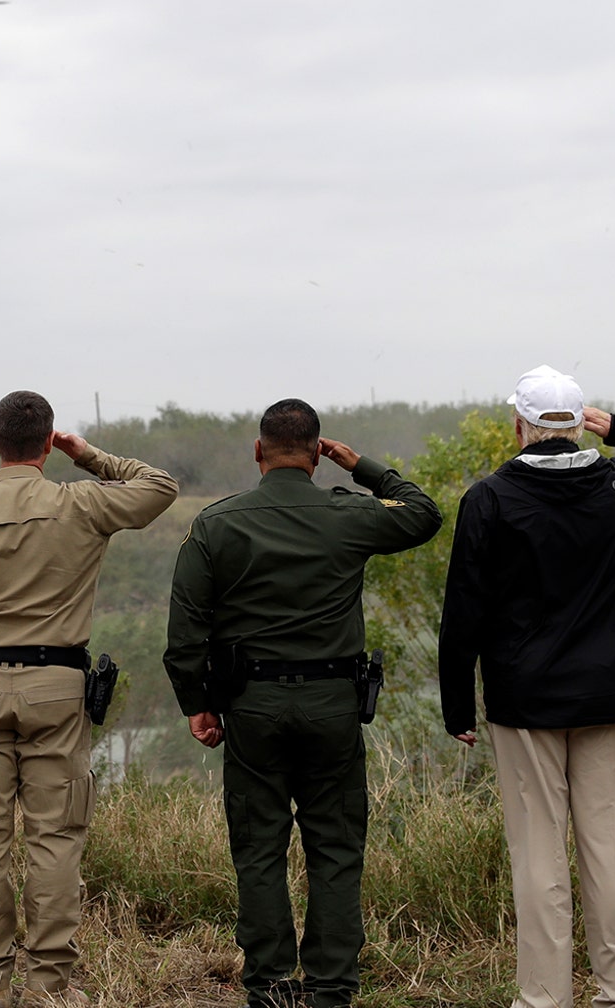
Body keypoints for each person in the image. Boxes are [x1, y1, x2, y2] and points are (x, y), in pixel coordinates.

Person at [438, 365, 615, 1008]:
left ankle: (543, 999)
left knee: (538, 859)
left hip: (523, 702)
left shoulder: (490, 498)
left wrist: (458, 703)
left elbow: (464, 611)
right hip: (611, 697)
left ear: (519, 427)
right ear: (582, 421)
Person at [0, 390, 179, 1008]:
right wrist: (88, 456)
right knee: (56, 836)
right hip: (58, 689)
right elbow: (159, 487)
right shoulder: (81, 504)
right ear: (50, 442)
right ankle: (51, 983)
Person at [165, 399, 441, 1008]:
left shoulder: (218, 523)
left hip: (252, 706)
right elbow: (424, 513)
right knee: (336, 848)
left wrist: (199, 702)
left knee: (259, 848)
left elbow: (185, 627)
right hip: (333, 706)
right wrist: (363, 466)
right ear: (318, 454)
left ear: (257, 452)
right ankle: (331, 987)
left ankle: (269, 984)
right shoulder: (347, 514)